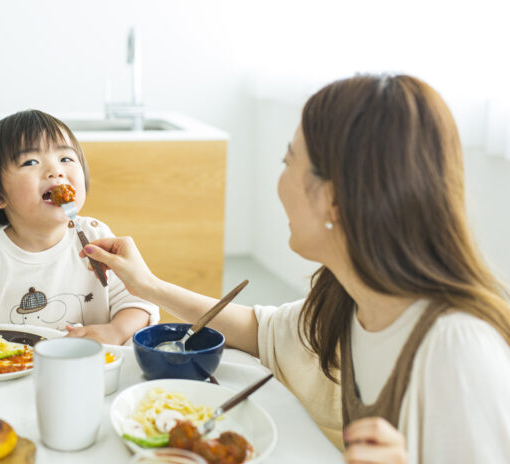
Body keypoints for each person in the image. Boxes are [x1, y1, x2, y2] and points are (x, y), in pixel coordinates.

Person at [79, 75, 510, 463]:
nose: (280, 182)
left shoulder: (457, 348)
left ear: (334, 199)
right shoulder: (347, 297)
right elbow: (259, 331)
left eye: (288, 162)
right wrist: (147, 285)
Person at [0, 110, 159, 345]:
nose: (55, 170)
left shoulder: (96, 236)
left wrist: (117, 331)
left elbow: (139, 303)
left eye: (66, 159)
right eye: (31, 162)